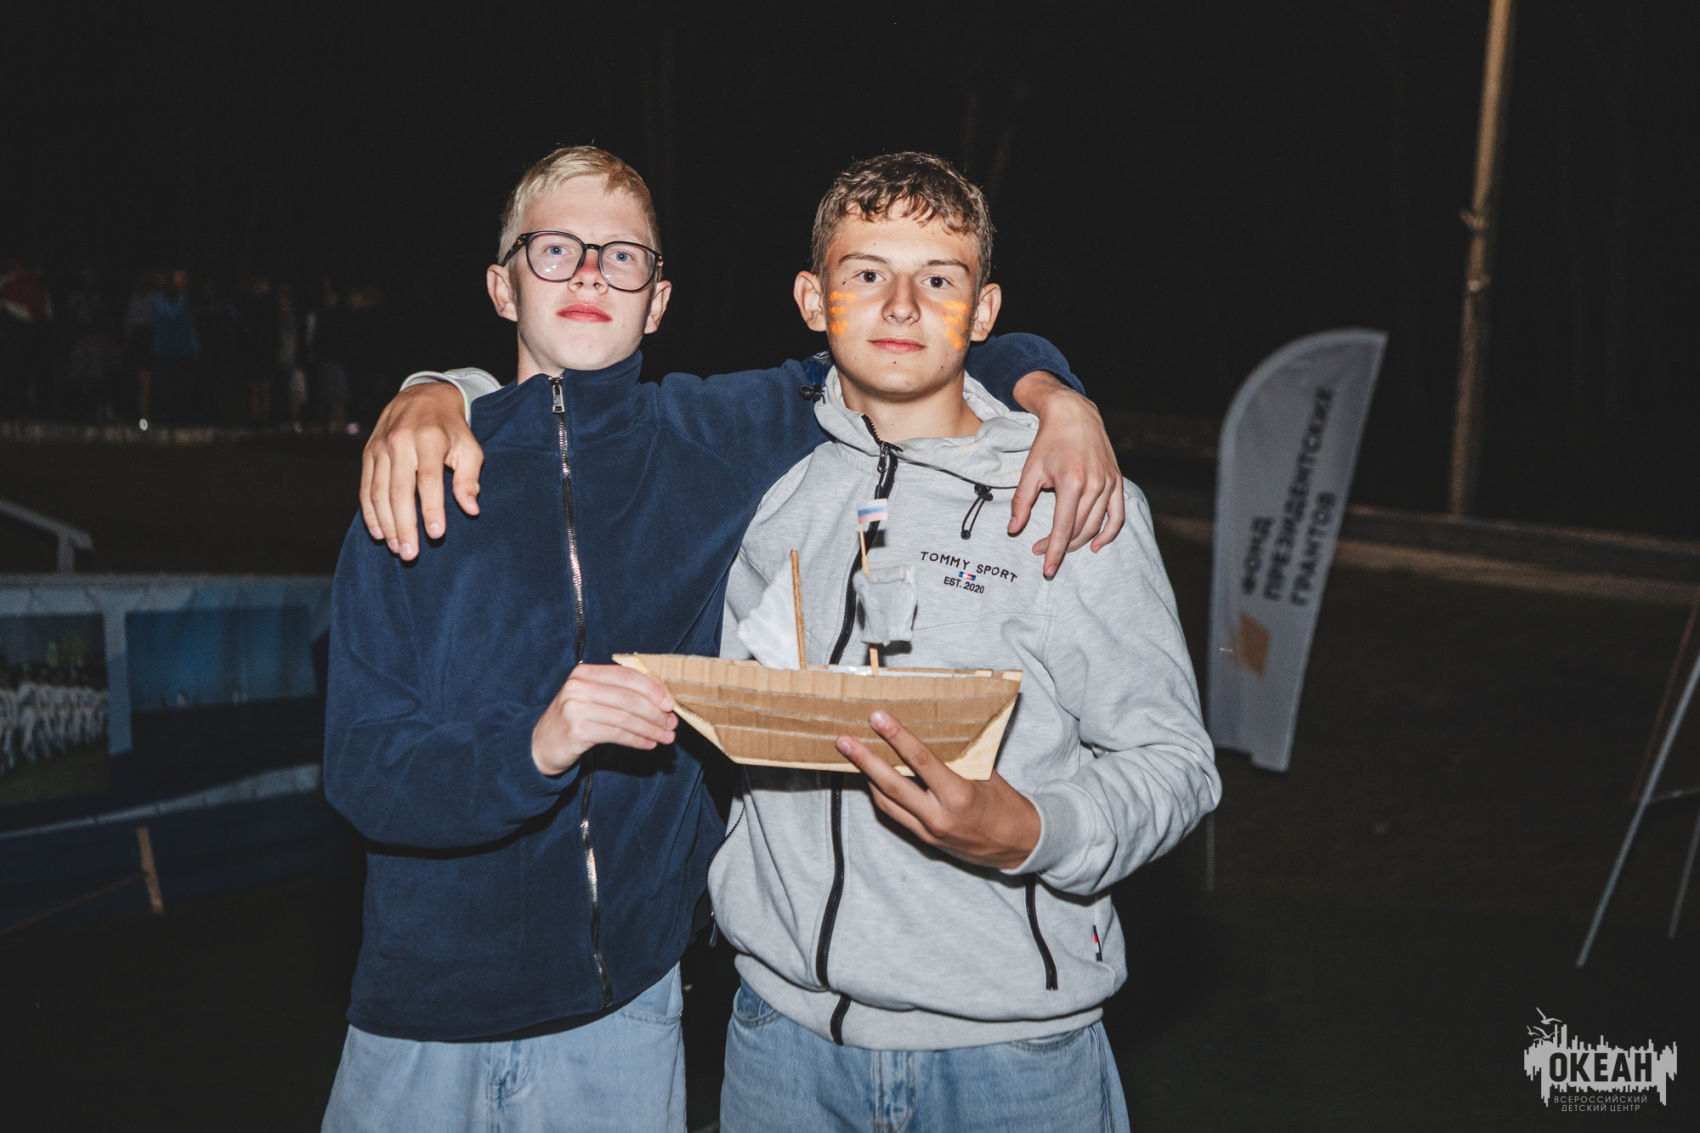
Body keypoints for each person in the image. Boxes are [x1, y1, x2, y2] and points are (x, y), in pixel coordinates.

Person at [322, 145, 1124, 1132]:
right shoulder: (412, 480)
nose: (588, 275)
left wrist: (1053, 393)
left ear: (658, 300)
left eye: (622, 258)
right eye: (555, 250)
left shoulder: (711, 436)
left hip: (627, 1009)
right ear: (501, 283)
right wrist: (531, 748)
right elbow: (362, 771)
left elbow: (897, 337)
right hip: (421, 1015)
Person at [708, 153, 1220, 1132]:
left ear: (982, 313)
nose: (901, 305)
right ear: (812, 299)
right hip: (781, 1042)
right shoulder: (762, 488)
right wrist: (441, 384)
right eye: (867, 272)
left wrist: (1032, 830)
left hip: (1009, 1059)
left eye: (937, 279)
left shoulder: (1068, 496)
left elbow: (1175, 763)